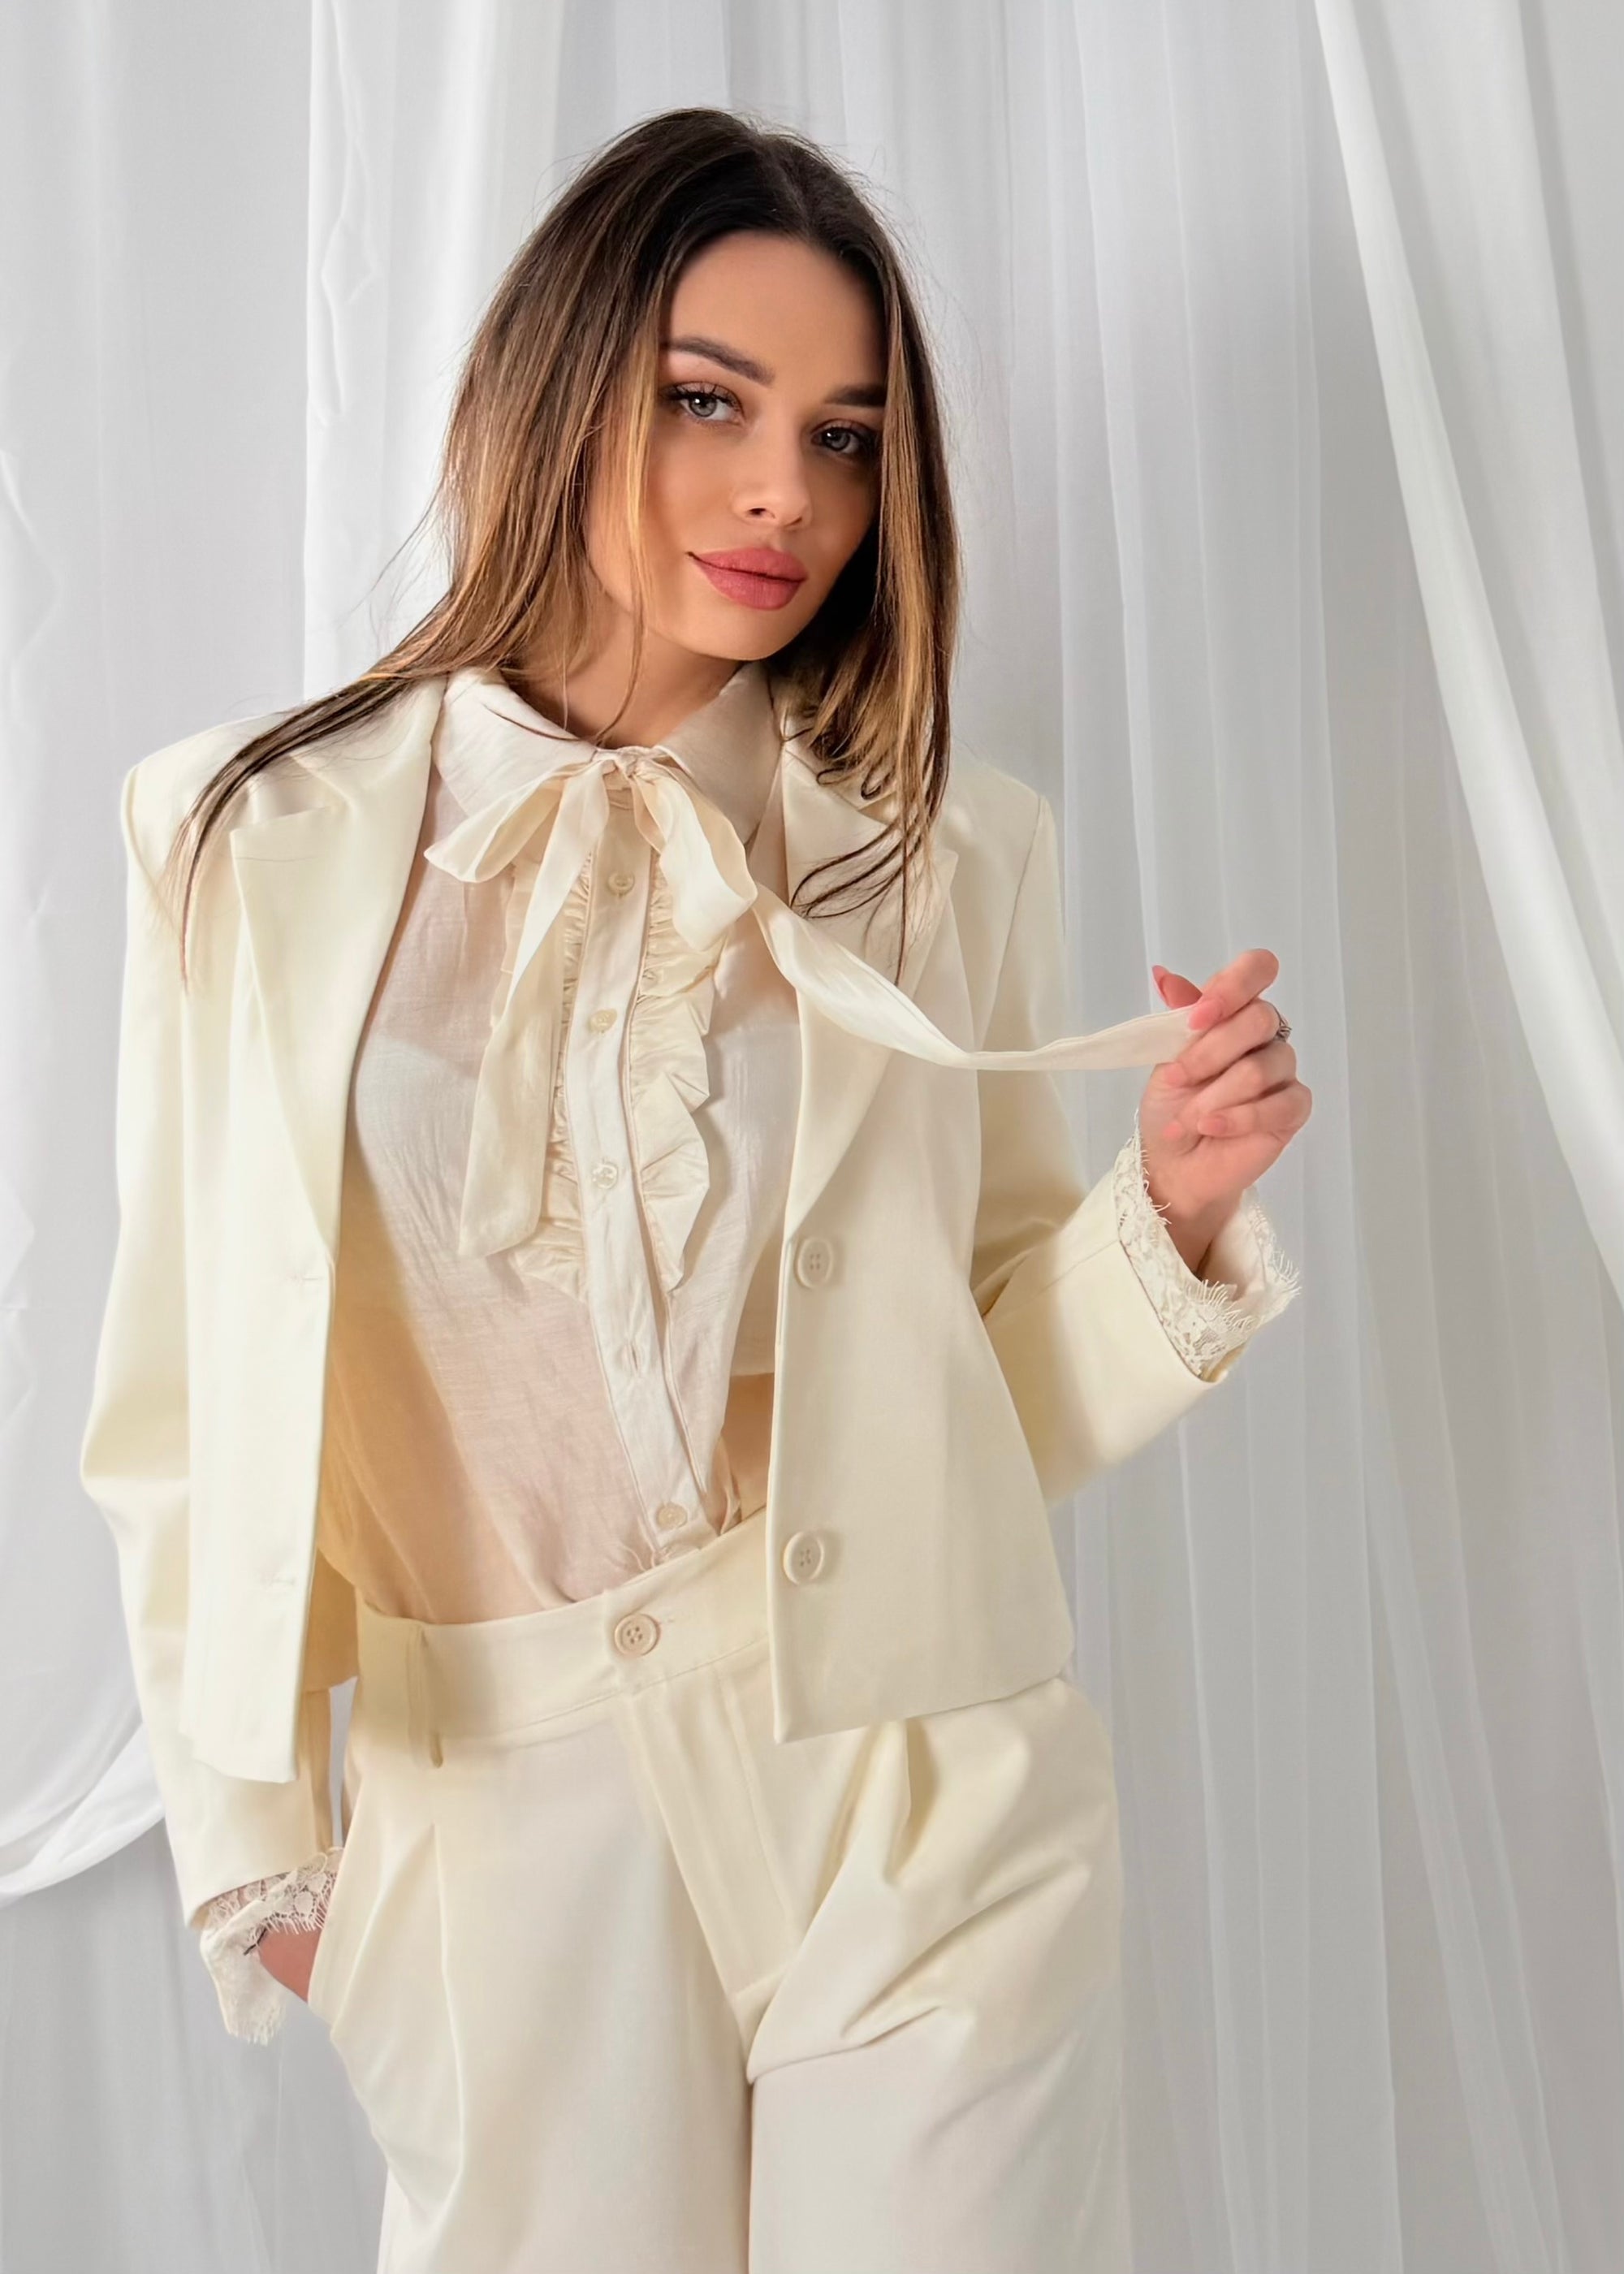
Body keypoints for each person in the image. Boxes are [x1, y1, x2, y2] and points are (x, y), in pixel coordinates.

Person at [80, 106, 1307, 2274]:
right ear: (551, 385)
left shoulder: (939, 852)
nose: (785, 498)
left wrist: (1173, 1211)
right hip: (501, 1803)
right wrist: (261, 1857)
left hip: (913, 1780)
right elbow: (180, 1388)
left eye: (845, 440)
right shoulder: (246, 839)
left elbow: (972, 1399)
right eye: (709, 403)